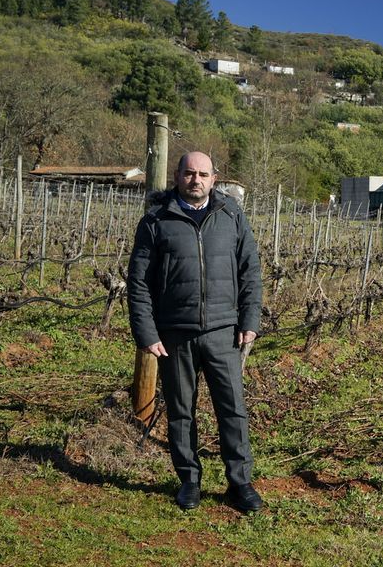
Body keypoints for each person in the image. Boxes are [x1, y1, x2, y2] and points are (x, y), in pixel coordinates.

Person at [127, 152, 264, 513]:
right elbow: (138, 283)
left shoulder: (231, 215)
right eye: (189, 173)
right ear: (177, 175)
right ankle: (189, 480)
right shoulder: (156, 220)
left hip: (223, 331)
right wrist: (147, 333)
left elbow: (250, 270)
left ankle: (240, 483)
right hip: (175, 334)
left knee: (232, 409)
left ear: (214, 179)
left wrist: (250, 320)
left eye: (203, 174)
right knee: (181, 411)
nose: (196, 180)